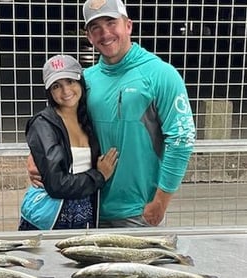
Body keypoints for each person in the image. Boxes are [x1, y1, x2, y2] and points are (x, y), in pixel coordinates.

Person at [27, 0, 196, 228]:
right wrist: (35, 156)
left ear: (128, 25)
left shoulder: (161, 75)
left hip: (138, 212)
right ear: (88, 36)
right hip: (88, 206)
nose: (104, 33)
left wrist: (161, 202)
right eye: (95, 27)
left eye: (111, 22)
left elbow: (181, 140)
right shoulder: (87, 80)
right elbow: (58, 122)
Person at [18, 54, 118, 230]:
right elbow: (56, 184)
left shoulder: (88, 118)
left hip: (85, 212)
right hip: (49, 217)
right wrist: (99, 176)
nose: (66, 91)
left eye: (70, 81)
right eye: (57, 86)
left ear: (80, 82)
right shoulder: (43, 124)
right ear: (49, 91)